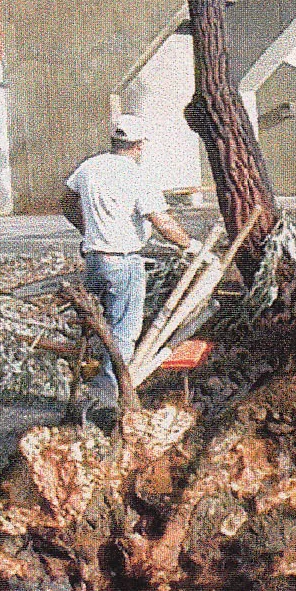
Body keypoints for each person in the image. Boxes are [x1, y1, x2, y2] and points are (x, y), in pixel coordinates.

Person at [63, 115, 194, 413]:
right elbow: (161, 221)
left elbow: (67, 202)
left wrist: (88, 230)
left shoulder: (89, 167)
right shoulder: (137, 175)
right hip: (123, 261)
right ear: (139, 145)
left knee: (96, 326)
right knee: (123, 331)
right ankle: (106, 397)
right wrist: (190, 244)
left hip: (94, 260)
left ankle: (85, 385)